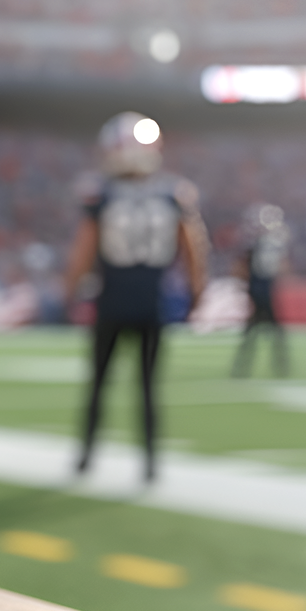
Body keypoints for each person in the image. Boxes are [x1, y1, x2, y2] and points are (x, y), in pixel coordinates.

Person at [64, 112, 208, 482]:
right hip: (152, 302)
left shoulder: (101, 194)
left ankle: (86, 456)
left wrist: (70, 290)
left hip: (112, 300)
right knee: (147, 386)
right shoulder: (173, 192)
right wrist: (197, 290)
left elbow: (83, 251)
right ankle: (150, 463)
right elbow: (193, 247)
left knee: (99, 382)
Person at [232, 203, 290, 378]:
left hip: (260, 289)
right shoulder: (266, 244)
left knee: (253, 332)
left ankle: (242, 368)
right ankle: (280, 365)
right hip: (262, 291)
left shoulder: (262, 244)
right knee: (270, 331)